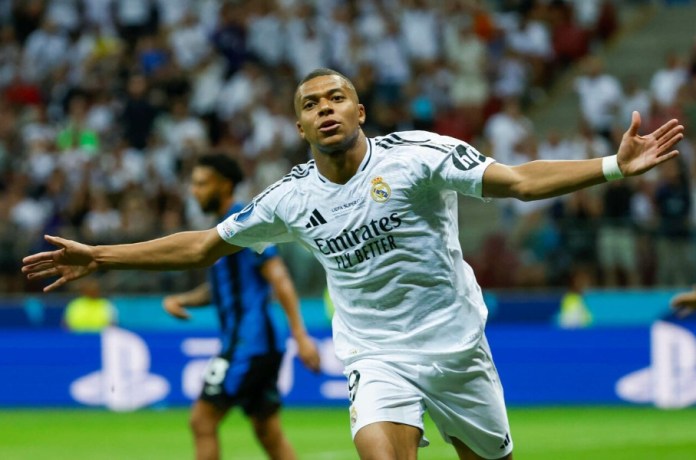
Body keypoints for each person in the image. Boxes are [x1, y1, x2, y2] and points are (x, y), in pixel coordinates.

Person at [23, 68, 684, 460]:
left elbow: (519, 181)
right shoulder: (288, 199)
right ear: (300, 129)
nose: (324, 108)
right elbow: (202, 245)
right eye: (310, 105)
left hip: (458, 349)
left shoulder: (420, 156)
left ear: (358, 111)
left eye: (335, 98)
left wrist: (609, 167)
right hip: (376, 356)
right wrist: (101, 255)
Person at [163, 153, 320, 460]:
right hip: (260, 343)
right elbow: (222, 287)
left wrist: (301, 336)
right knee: (267, 431)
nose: (195, 191)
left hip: (249, 342)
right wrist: (183, 299)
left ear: (224, 185)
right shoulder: (224, 227)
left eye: (201, 184)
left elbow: (278, 276)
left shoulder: (245, 221)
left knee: (202, 421)